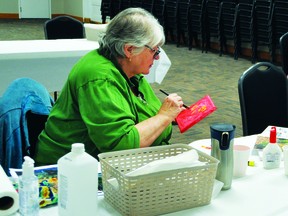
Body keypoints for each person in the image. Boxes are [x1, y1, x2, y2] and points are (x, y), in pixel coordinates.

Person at [34, 7, 186, 166]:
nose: (158, 57)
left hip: (109, 164)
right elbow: (121, 146)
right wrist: (164, 117)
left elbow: (149, 116)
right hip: (68, 169)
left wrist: (167, 116)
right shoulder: (100, 78)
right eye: (154, 51)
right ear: (129, 49)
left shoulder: (130, 71)